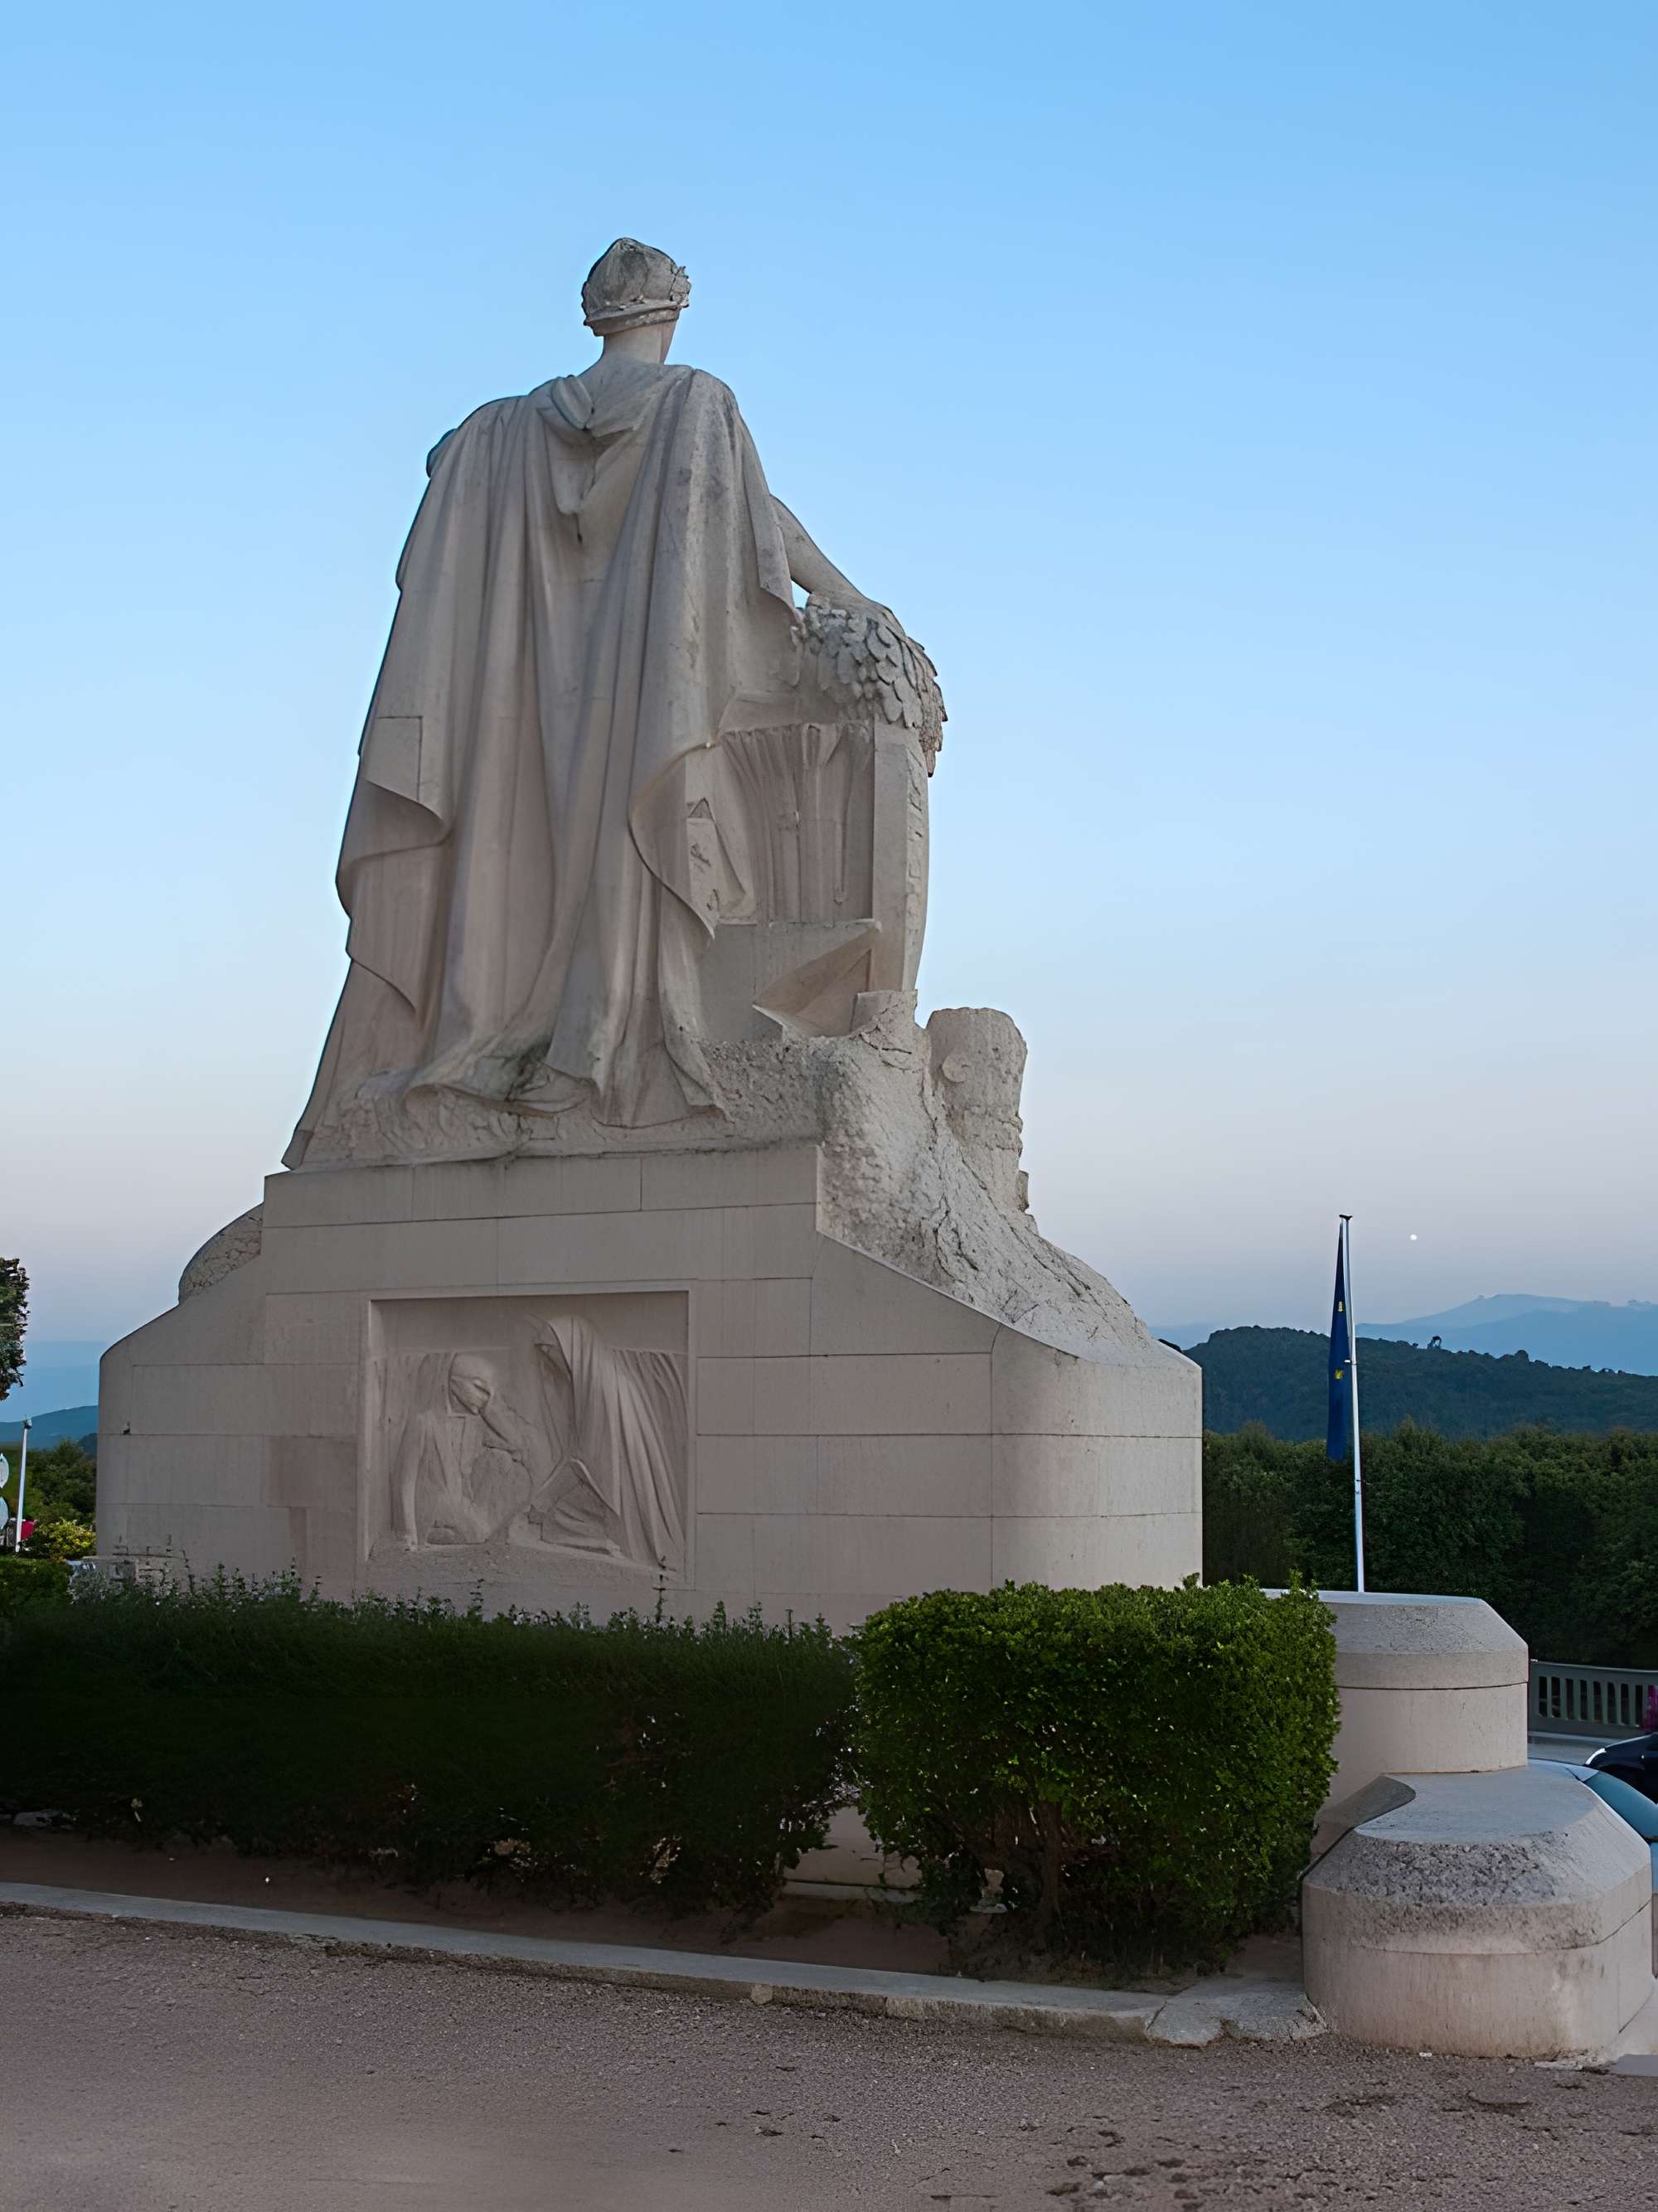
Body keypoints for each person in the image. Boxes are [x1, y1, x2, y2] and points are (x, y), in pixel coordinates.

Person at [288, 238, 893, 1163]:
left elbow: (438, 466)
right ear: (674, 312)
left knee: (503, 869)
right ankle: (600, 1047)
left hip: (514, 717)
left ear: (592, 316)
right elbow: (761, 523)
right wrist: (847, 596)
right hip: (647, 699)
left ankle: (492, 1039)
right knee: (642, 859)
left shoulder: (500, 430)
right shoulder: (695, 403)